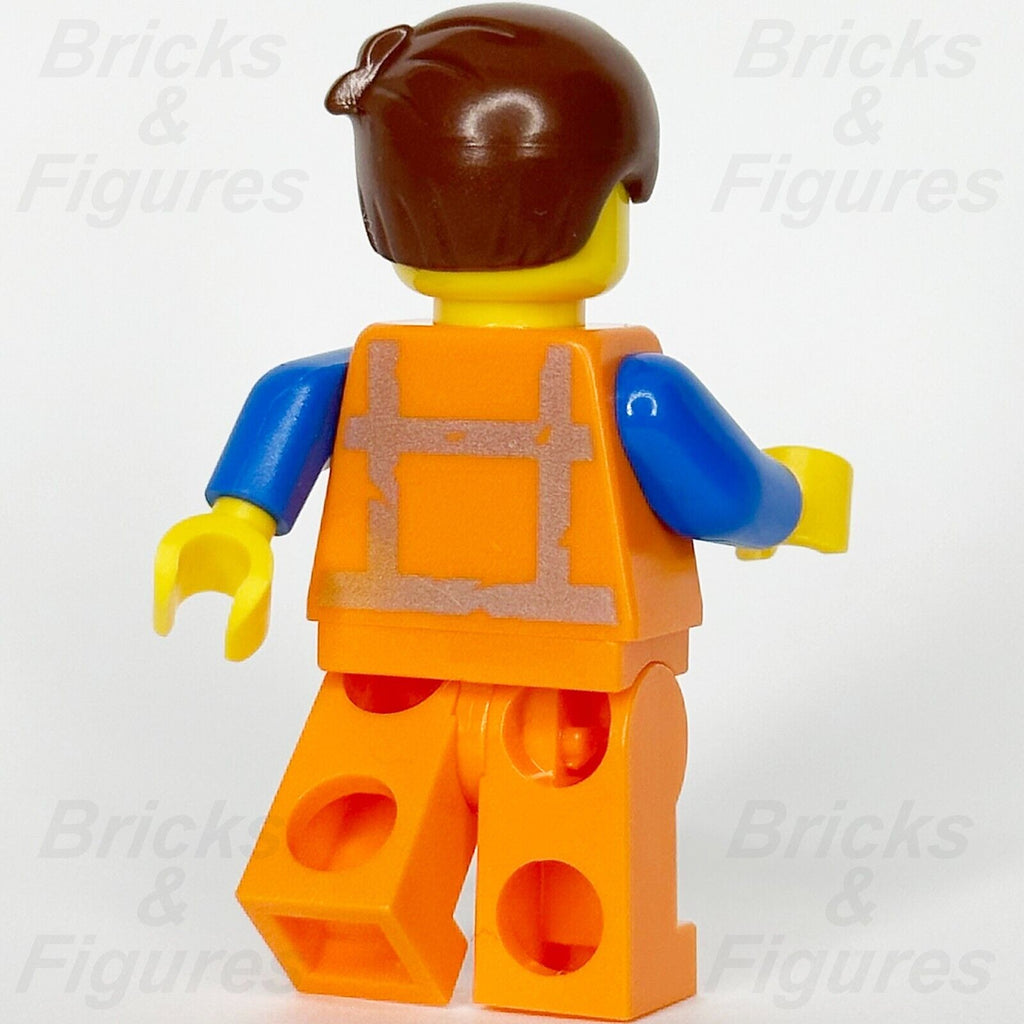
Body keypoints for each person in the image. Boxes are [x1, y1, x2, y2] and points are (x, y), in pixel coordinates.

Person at [154, 6, 851, 1019]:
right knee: (568, 846)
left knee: (355, 834)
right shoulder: (634, 389)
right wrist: (794, 500)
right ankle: (557, 964)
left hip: (389, 664)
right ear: (608, 204)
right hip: (571, 679)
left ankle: (350, 929)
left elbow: (285, 405)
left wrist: (238, 521)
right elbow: (727, 495)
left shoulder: (369, 370)